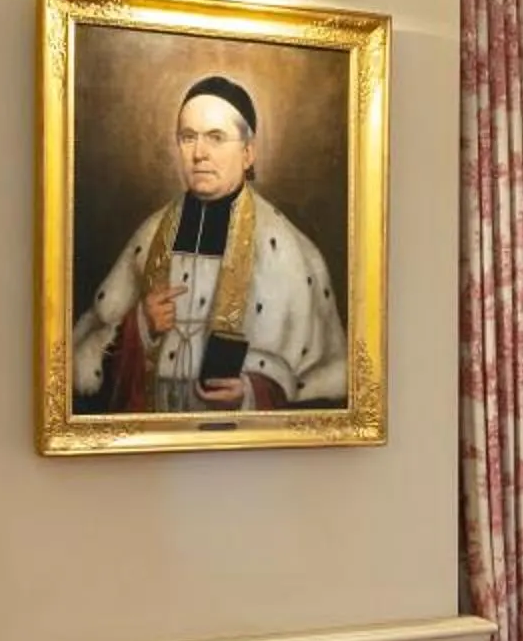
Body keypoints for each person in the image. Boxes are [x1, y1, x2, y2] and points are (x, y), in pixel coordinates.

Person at [70, 75, 347, 411]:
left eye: (216, 138)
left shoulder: (289, 250)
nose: (199, 153)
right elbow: (86, 361)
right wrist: (140, 326)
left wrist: (250, 391)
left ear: (248, 153)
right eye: (188, 138)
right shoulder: (150, 235)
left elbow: (325, 383)